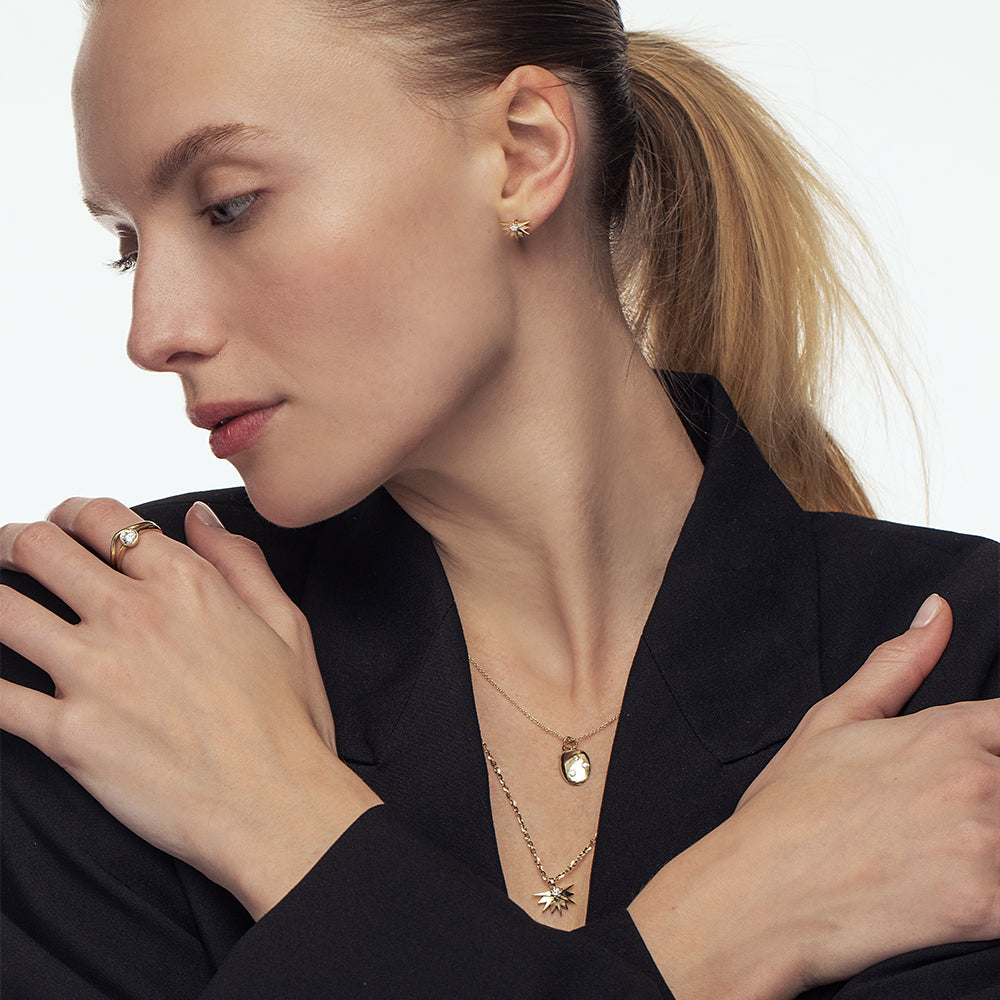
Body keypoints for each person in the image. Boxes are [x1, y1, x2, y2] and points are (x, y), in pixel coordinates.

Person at [1, 1, 997, 997]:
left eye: (228, 204)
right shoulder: (107, 656)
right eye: (129, 243)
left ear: (522, 153)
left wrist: (291, 837)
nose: (152, 330)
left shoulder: (962, 670)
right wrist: (722, 930)